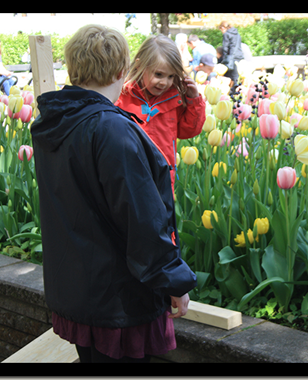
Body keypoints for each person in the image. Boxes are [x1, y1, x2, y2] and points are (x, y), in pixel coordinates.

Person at [30, 24, 197, 363]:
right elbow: (142, 219)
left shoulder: (53, 122)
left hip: (77, 293)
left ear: (73, 68)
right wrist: (174, 281)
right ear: (123, 71)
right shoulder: (112, 129)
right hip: (118, 299)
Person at [115, 34, 205, 191]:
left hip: (163, 177)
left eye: (171, 76)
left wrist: (193, 100)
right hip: (129, 175)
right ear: (139, 65)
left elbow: (188, 130)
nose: (164, 82)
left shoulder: (175, 98)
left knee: (161, 214)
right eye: (158, 74)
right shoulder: (122, 96)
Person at [218, 21, 244, 94]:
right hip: (239, 57)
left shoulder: (226, 34)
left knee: (229, 78)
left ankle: (230, 94)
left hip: (231, 58)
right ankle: (239, 95)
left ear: (223, 27)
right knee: (237, 78)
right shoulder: (237, 34)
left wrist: (224, 59)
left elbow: (225, 48)